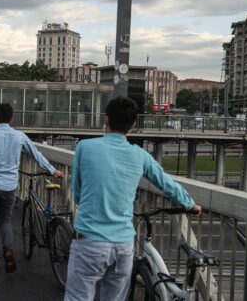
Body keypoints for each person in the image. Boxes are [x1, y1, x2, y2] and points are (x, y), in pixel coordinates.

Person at [64, 97, 201, 301]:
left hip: (89, 241)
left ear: (106, 119)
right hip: (123, 244)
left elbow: (77, 191)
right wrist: (190, 204)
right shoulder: (140, 155)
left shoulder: (85, 147)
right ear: (134, 124)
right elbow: (165, 182)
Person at [0, 102, 63, 274]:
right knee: (4, 221)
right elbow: (36, 155)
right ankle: (8, 250)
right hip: (10, 187)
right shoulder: (20, 136)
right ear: (12, 119)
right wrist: (52, 170)